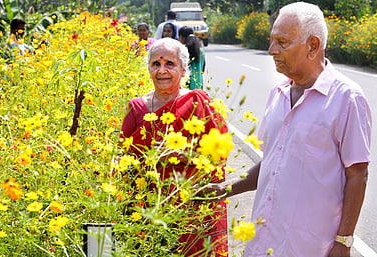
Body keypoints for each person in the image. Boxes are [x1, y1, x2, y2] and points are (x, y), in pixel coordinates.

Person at [200, 2, 371, 257]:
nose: (271, 51)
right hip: (262, 241)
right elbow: (273, 162)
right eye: (271, 41)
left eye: (282, 42)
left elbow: (358, 175)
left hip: (310, 246)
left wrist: (343, 241)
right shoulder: (278, 93)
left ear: (313, 46)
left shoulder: (347, 98)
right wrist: (226, 189)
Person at [121, 38, 228, 256]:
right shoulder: (136, 107)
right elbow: (122, 161)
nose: (162, 71)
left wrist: (184, 155)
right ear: (148, 68)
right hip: (149, 207)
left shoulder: (198, 102)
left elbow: (220, 154)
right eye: (155, 64)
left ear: (183, 69)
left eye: (170, 64)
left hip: (193, 209)